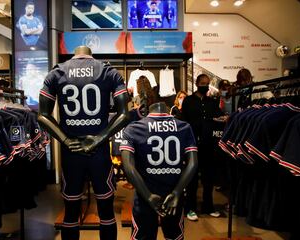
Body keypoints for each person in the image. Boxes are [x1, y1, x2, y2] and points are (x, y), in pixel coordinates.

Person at [38, 46, 130, 240]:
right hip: (100, 151)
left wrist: (65, 139)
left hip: (72, 151)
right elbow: (124, 114)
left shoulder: (56, 72)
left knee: (71, 211)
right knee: (106, 211)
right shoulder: (108, 71)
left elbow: (42, 116)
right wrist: (99, 138)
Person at [120, 94, 198, 240]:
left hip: (145, 196)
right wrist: (176, 192)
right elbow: (193, 163)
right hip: (174, 196)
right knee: (174, 236)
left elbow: (128, 166)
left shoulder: (134, 128)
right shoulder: (184, 127)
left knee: (143, 236)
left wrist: (148, 196)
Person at [182, 74, 227, 221]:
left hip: (209, 145)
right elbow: (184, 121)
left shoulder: (212, 102)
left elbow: (219, 117)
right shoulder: (188, 101)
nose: (205, 86)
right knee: (192, 179)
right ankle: (190, 208)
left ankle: (208, 207)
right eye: (202, 83)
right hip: (192, 145)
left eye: (207, 84)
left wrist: (223, 118)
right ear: (196, 83)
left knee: (208, 179)